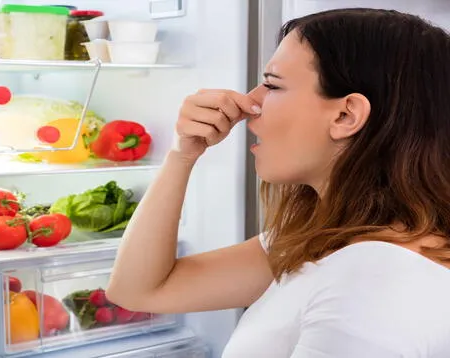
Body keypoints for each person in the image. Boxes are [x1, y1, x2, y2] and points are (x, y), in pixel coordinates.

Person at [106, 8, 450, 358]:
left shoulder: (371, 280)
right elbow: (142, 290)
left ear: (346, 115)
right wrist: (182, 155)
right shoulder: (331, 241)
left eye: (272, 85)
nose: (249, 104)